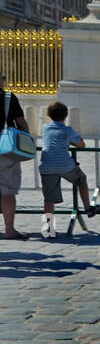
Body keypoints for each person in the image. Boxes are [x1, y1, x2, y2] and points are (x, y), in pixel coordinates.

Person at [39, 102, 98, 238]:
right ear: (66, 115)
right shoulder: (68, 130)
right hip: (65, 165)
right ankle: (88, 208)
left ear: (49, 115)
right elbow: (81, 144)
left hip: (46, 165)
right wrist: (71, 142)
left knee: (48, 199)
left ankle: (48, 229)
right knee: (81, 179)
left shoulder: (45, 128)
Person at [1, 76, 31, 240]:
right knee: (8, 192)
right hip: (5, 150)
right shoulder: (8, 97)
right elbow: (21, 124)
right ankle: (9, 229)